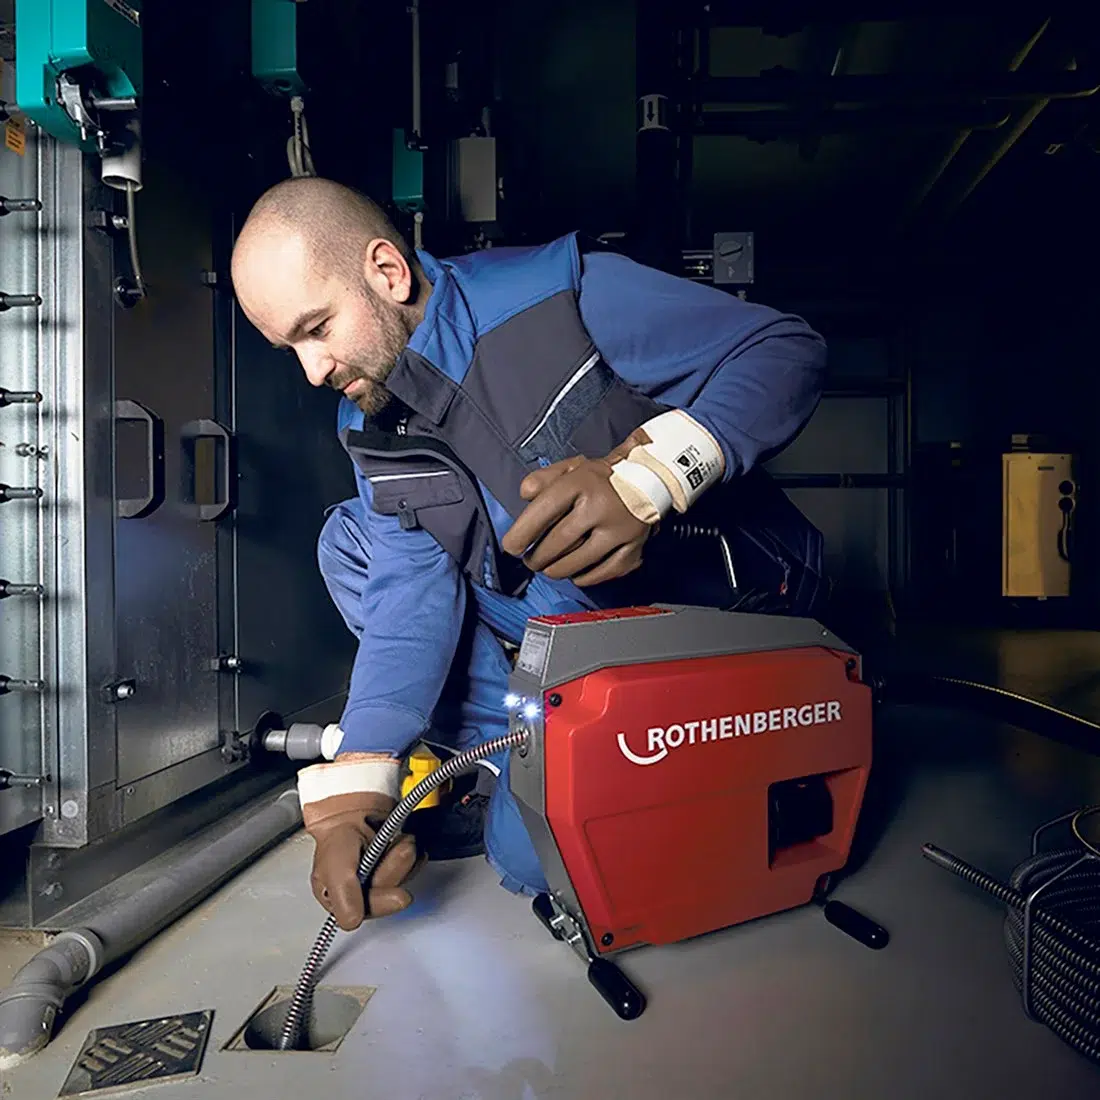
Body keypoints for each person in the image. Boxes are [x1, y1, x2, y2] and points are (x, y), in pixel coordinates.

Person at [230, 176, 829, 933]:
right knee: (354, 542)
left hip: (735, 582)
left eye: (317, 329)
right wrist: (360, 782)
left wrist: (649, 479)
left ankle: (559, 746)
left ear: (387, 271)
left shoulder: (563, 297)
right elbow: (407, 605)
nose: (312, 371)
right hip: (572, 604)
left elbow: (786, 352)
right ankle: (508, 748)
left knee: (526, 860)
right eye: (291, 348)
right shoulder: (372, 423)